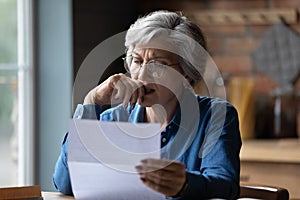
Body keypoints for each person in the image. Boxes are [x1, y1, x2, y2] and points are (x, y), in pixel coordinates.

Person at [53, 10, 241, 199]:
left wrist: (184, 184)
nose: (142, 75)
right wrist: (91, 101)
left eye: (157, 64)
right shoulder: (113, 119)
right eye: (137, 61)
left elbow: (225, 186)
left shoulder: (215, 116)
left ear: (186, 72)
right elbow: (65, 183)